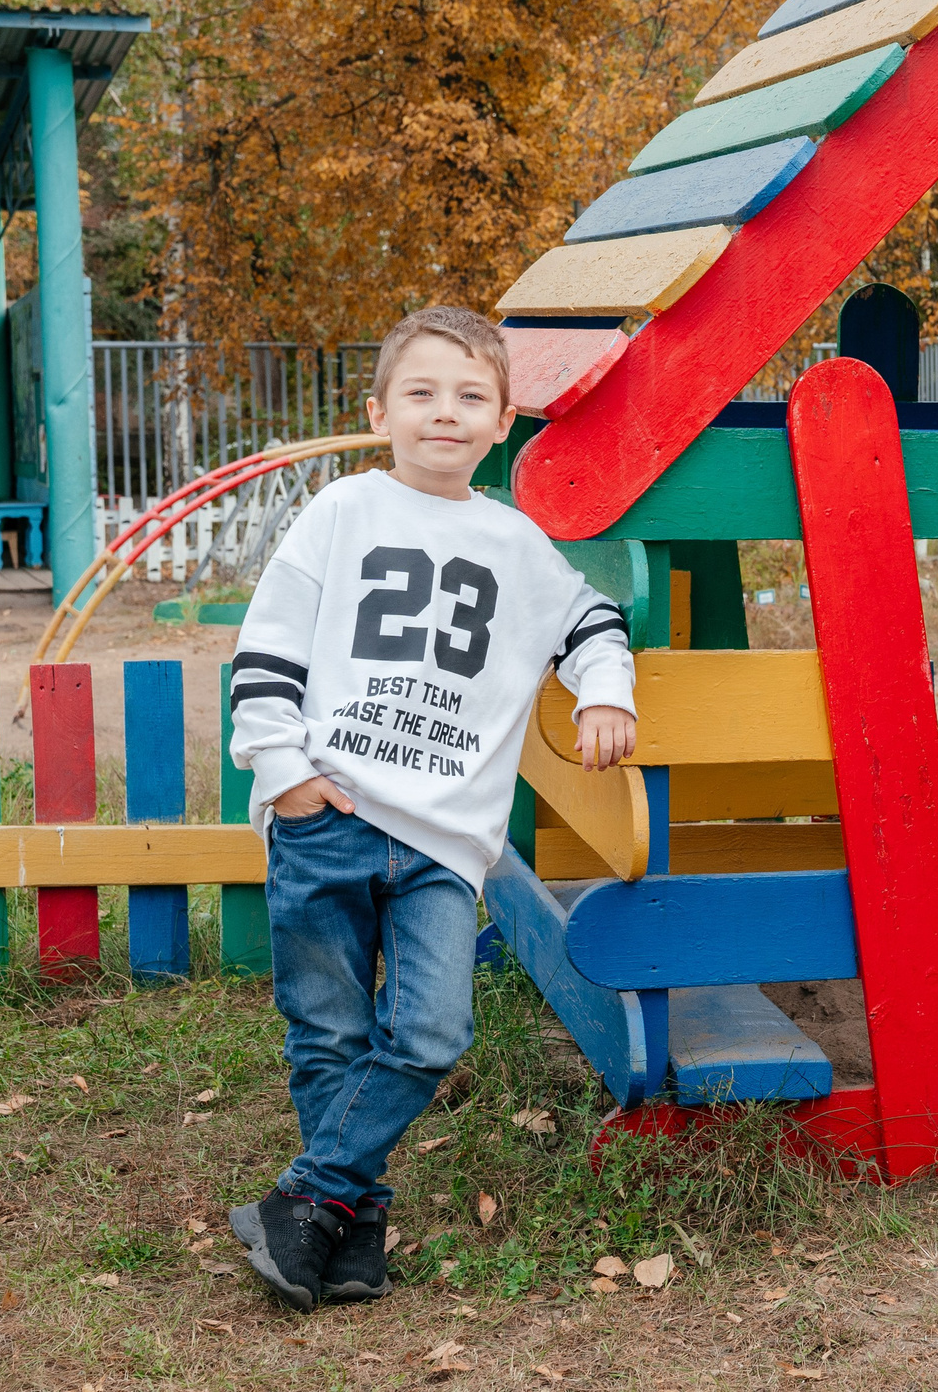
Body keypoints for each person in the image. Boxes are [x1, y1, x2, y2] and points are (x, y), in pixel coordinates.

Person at [225, 307, 638, 1309]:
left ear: (503, 423)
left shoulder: (514, 541)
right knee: (325, 1030)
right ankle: (351, 1230)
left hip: (444, 847)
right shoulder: (343, 512)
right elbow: (268, 645)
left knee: (430, 1033)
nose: (443, 413)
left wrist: (605, 688)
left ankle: (306, 1198)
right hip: (328, 814)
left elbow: (590, 619)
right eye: (420, 392)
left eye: (469, 397)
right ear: (379, 412)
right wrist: (285, 774)